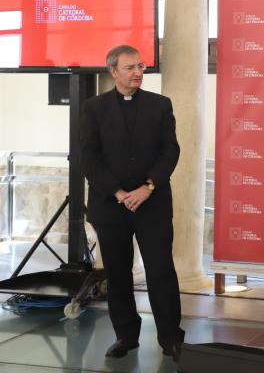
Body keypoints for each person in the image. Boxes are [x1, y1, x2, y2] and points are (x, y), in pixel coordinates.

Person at [80, 45, 184, 361]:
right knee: (117, 272)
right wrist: (117, 192)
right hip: (110, 206)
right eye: (130, 68)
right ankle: (126, 336)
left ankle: (171, 339)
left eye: (140, 66)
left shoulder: (160, 105)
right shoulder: (93, 108)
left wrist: (148, 187)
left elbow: (171, 151)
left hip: (151, 203)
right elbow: (89, 156)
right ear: (113, 71)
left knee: (161, 270)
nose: (138, 72)